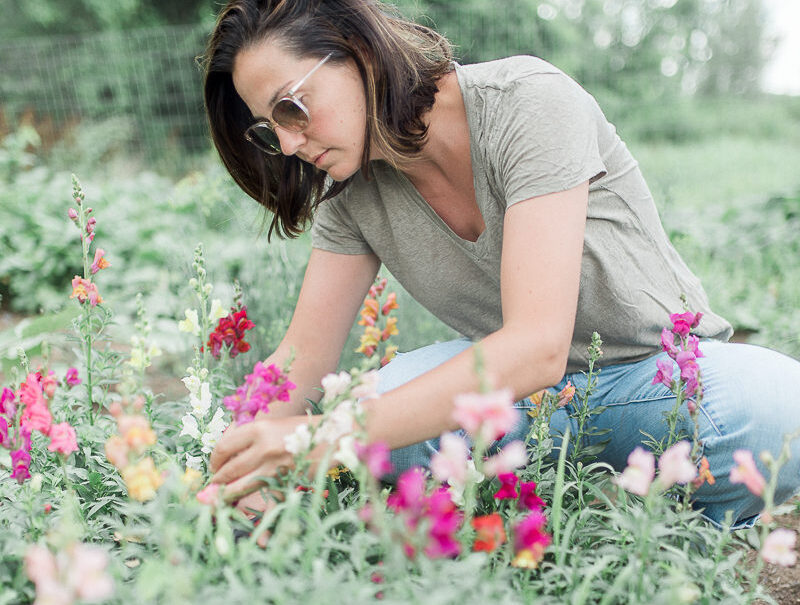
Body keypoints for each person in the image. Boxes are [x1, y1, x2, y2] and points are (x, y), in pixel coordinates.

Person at [203, 0, 800, 528]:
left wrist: (322, 438)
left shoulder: (528, 102)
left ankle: (627, 496)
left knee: (779, 408)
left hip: (656, 379)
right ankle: (598, 491)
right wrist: (234, 463)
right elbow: (300, 361)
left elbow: (538, 346)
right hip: (516, 402)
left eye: (291, 108)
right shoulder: (350, 186)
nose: (286, 144)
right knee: (374, 401)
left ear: (356, 51)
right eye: (267, 129)